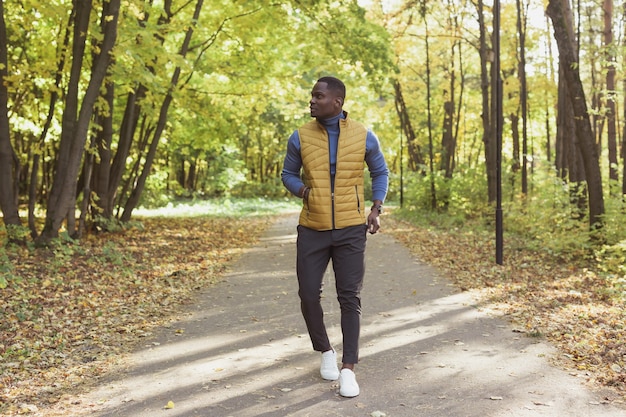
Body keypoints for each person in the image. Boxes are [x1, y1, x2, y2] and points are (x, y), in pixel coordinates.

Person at [281, 76, 389, 398]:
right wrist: (303, 191)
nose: (312, 101)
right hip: (312, 228)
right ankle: (325, 350)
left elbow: (379, 171)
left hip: (351, 229)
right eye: (313, 96)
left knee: (349, 298)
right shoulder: (299, 136)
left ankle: (348, 369)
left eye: (318, 96)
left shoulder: (364, 136)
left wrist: (376, 207)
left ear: (337, 102)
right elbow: (288, 173)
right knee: (308, 294)